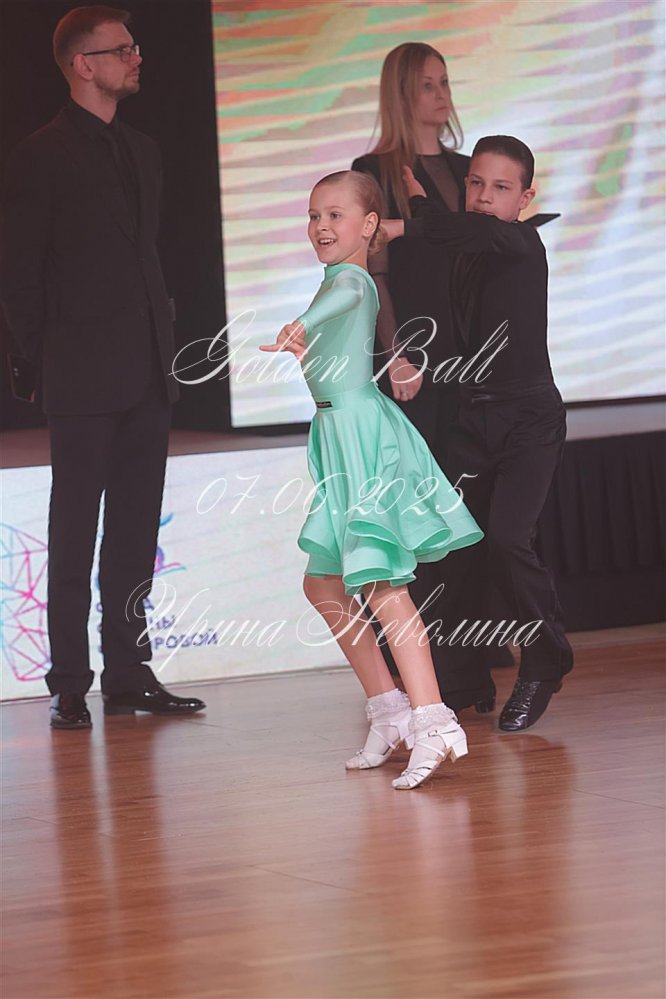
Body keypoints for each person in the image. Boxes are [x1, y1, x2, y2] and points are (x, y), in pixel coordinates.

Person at [0, 6, 205, 728]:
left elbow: (144, 258)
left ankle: (128, 670)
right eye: (121, 50)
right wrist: (40, 363)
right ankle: (68, 680)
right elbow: (20, 276)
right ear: (83, 64)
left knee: (134, 532)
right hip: (81, 374)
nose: (136, 57)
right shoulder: (39, 155)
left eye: (135, 46)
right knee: (74, 531)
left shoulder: (143, 149)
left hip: (147, 368)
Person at [260, 170, 483, 788]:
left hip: (363, 437)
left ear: (369, 226)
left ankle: (434, 722)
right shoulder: (334, 278)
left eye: (335, 215)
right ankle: (389, 709)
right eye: (314, 215)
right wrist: (308, 342)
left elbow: (341, 302)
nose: (321, 226)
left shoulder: (352, 281)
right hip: (338, 435)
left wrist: (301, 326)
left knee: (381, 581)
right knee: (324, 583)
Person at [383, 136, 574, 731]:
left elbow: (467, 231)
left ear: (525, 198)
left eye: (500, 188)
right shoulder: (469, 243)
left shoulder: (522, 242)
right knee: (451, 547)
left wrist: (402, 223)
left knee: (508, 541)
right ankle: (460, 681)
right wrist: (420, 208)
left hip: (529, 421)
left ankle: (545, 660)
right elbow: (456, 235)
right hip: (474, 419)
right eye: (476, 184)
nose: (485, 197)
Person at [352, 40, 514, 688]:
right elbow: (375, 272)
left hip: (471, 360)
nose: (442, 94)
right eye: (428, 84)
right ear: (401, 93)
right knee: (420, 509)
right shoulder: (373, 171)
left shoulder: (468, 168)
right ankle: (423, 664)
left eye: (445, 82)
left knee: (468, 504)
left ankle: (466, 657)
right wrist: (394, 354)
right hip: (411, 363)